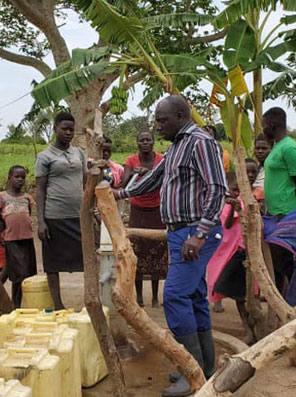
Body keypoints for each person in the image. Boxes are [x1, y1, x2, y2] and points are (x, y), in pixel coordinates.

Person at [115, 96, 227, 396]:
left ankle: (190, 370)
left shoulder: (200, 142)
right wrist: (119, 194)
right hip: (180, 232)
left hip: (194, 234)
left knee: (175, 296)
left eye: (163, 120)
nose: (158, 125)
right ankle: (204, 368)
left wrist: (200, 233)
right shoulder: (177, 146)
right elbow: (153, 179)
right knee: (194, 298)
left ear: (180, 116)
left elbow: (217, 187)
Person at [35, 112, 87, 310]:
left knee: (87, 259)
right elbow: (40, 190)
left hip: (78, 215)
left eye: (71, 130)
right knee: (53, 263)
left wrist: (89, 209)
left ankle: (88, 302)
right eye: (64, 129)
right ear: (55, 128)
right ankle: (58, 304)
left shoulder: (79, 153)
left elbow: (85, 183)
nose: (68, 133)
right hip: (54, 216)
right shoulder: (45, 156)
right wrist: (41, 221)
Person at [213, 161, 262, 344]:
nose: (249, 175)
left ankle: (255, 330)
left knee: (251, 294)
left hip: (249, 252)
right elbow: (226, 224)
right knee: (240, 295)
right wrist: (234, 206)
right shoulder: (229, 203)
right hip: (236, 252)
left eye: (253, 172)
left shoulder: (253, 198)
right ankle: (248, 330)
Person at [121, 130, 167, 308]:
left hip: (157, 211)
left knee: (157, 254)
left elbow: (166, 180)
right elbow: (124, 183)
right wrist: (134, 173)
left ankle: (155, 297)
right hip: (138, 211)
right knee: (137, 254)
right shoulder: (131, 161)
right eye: (142, 140)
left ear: (153, 142)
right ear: (137, 143)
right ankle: (139, 296)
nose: (145, 142)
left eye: (148, 139)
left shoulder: (161, 160)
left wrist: (148, 173)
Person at [262, 107, 296, 305]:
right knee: (279, 260)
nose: (263, 129)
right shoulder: (276, 146)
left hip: (288, 212)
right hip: (274, 213)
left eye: (264, 125)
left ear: (272, 125)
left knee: (282, 256)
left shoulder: (289, 148)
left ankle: (289, 302)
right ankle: (287, 301)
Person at [0, 165, 37, 308]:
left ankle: (18, 304)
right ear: (9, 178)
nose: (20, 180)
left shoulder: (27, 197)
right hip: (10, 240)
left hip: (27, 239)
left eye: (23, 177)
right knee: (16, 275)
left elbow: (27, 212)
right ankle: (13, 305)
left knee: (26, 274)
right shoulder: (2, 196)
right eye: (17, 176)